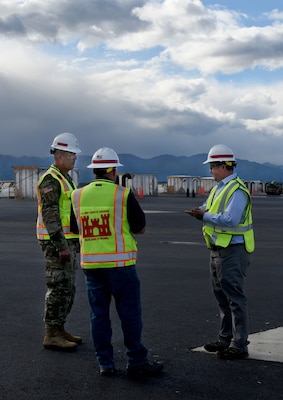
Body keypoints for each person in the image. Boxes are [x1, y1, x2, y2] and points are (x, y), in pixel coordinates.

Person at [71, 147, 163, 376]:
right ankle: (136, 361)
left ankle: (105, 363)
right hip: (121, 266)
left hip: (92, 266)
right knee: (129, 314)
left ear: (94, 172)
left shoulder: (77, 195)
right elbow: (140, 228)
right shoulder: (122, 194)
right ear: (113, 171)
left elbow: (74, 229)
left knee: (98, 315)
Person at [186, 144, 255, 360]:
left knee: (234, 298)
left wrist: (203, 216)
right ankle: (226, 340)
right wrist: (201, 211)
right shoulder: (218, 188)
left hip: (233, 250)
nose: (211, 171)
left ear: (224, 166)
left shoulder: (237, 190)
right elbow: (210, 207)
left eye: (213, 167)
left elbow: (231, 219)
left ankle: (239, 344)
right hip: (218, 250)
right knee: (222, 297)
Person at [37, 132, 82, 351]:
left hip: (67, 241)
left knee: (68, 288)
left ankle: (59, 327)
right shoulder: (51, 179)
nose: (75, 158)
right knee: (57, 287)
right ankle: (51, 333)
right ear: (60, 155)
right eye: (72, 154)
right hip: (55, 243)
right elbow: (51, 215)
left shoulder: (65, 178)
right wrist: (61, 244)